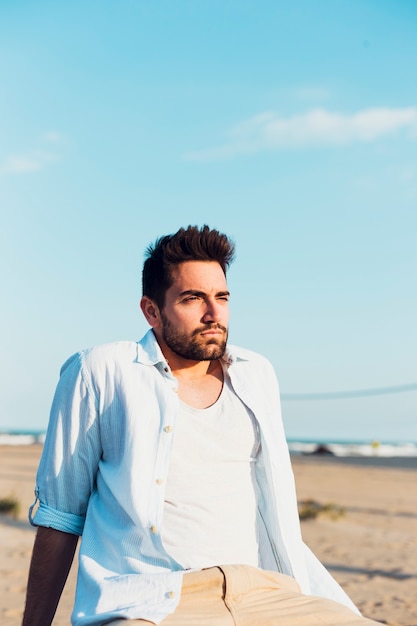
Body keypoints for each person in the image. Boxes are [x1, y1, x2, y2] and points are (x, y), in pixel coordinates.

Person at [23, 225, 382, 626]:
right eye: (193, 299)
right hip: (156, 600)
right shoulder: (102, 371)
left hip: (266, 592)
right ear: (152, 311)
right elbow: (61, 514)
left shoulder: (257, 373)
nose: (213, 314)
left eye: (222, 297)